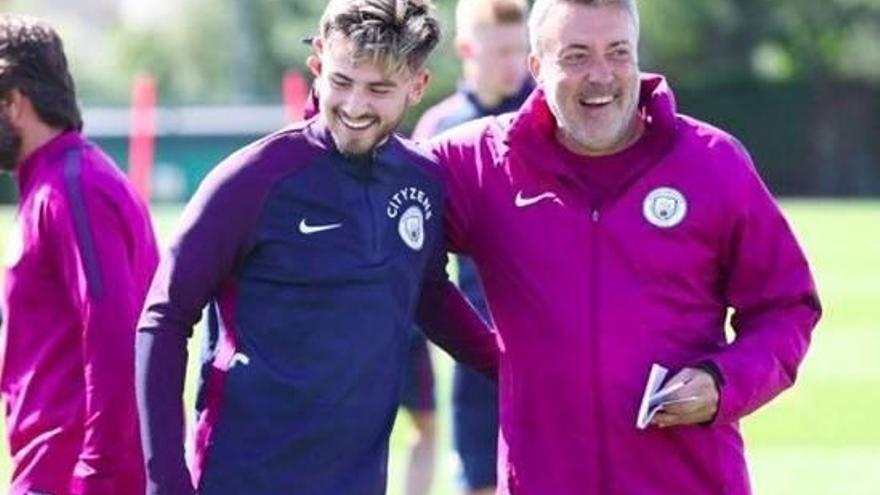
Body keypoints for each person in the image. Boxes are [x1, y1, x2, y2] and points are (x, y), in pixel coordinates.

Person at [427, 0, 822, 493]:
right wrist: (490, 354)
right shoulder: (480, 165)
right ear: (537, 67)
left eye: (618, 52)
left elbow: (786, 306)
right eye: (576, 56)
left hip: (691, 481)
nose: (601, 75)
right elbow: (381, 210)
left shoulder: (712, 162)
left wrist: (725, 382)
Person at [135, 1, 497, 494]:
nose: (354, 106)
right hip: (242, 479)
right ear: (319, 63)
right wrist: (165, 481)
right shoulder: (252, 180)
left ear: (417, 85)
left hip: (359, 481)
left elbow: (428, 291)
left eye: (379, 90)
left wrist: (513, 368)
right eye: (342, 81)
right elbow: (164, 317)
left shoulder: (423, 181)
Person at [0, 14, 158, 495]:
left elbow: (115, 337)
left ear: (15, 104)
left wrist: (97, 478)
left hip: (71, 477)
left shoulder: (72, 190)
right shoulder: (53, 184)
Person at [402, 0, 532, 493]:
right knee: (478, 476)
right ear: (465, 50)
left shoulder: (549, 115)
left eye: (520, 50)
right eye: (500, 51)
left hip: (547, 332)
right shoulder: (440, 129)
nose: (513, 63)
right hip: (476, 338)